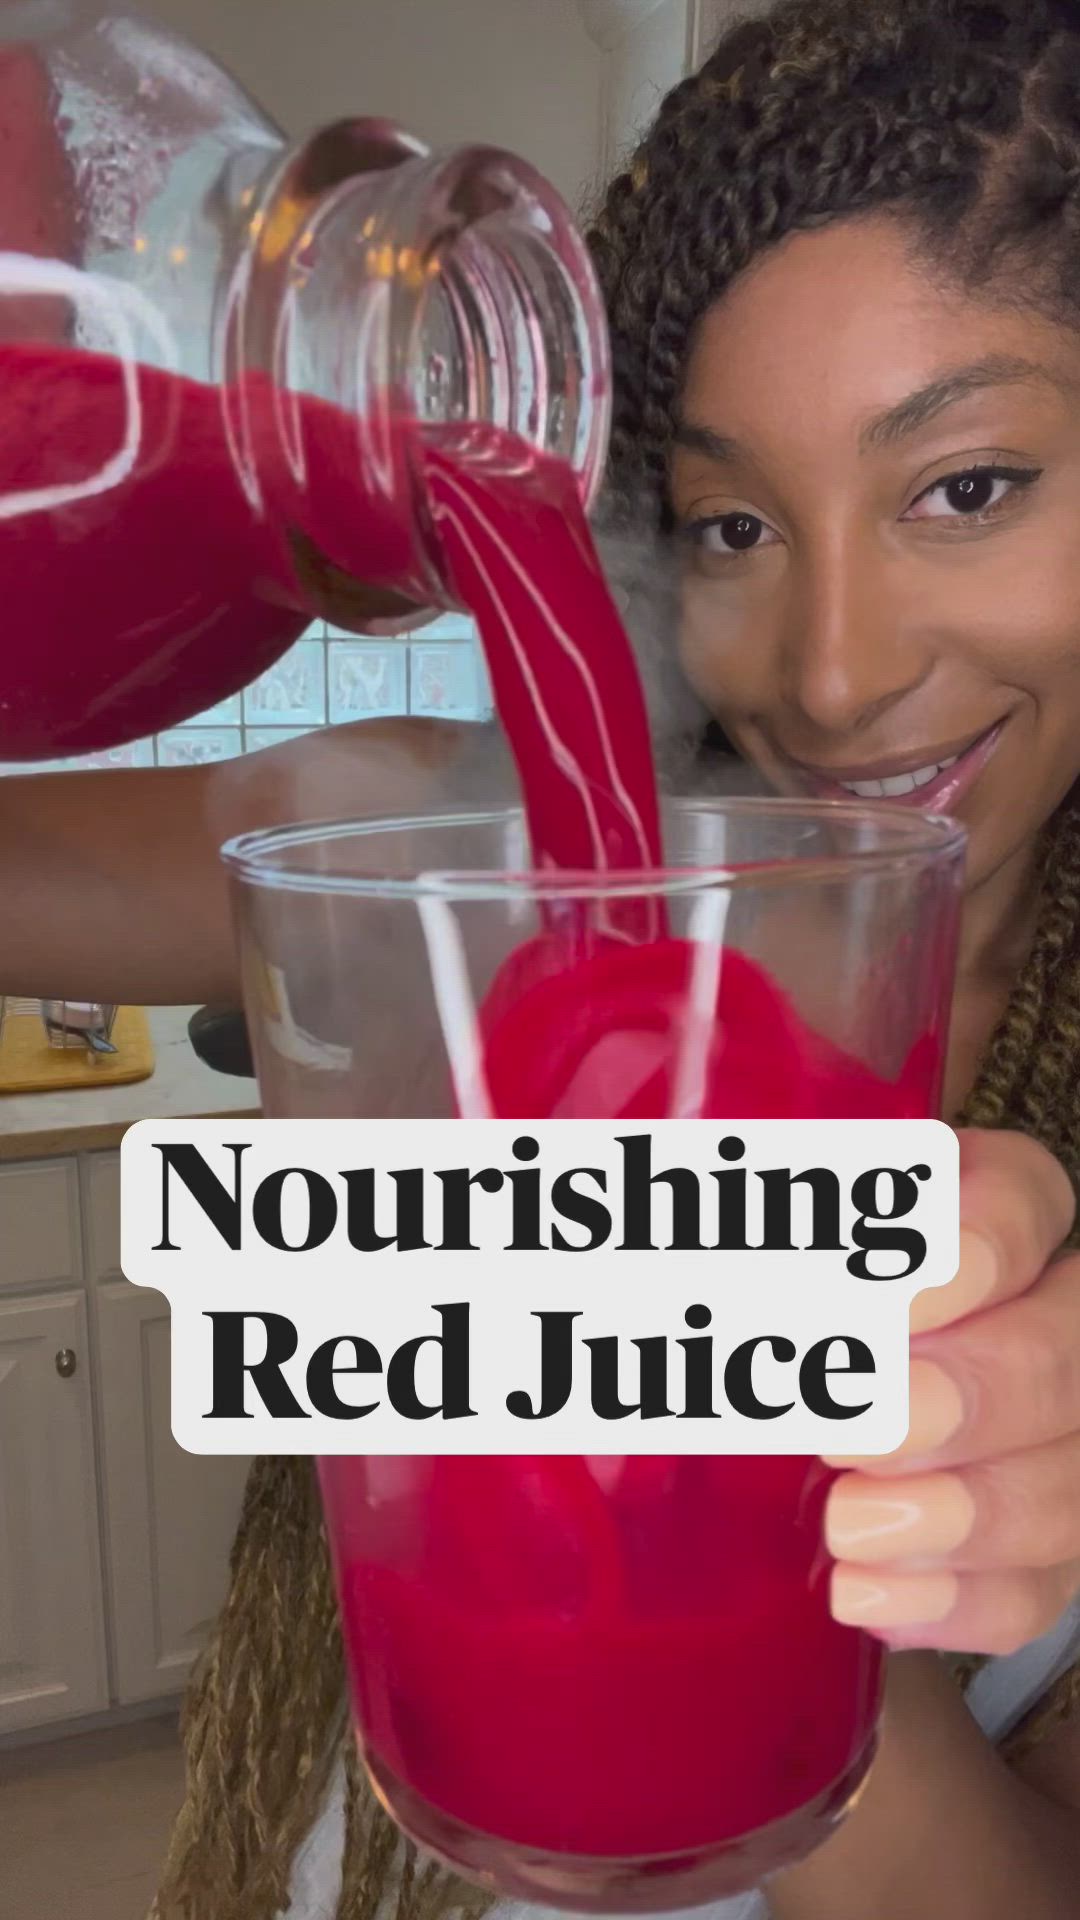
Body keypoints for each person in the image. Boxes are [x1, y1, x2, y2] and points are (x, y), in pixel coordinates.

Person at [3, 0, 1080, 1913]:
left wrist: (771, 1496)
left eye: (968, 487)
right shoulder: (459, 856)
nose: (835, 673)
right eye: (732, 522)